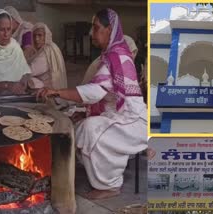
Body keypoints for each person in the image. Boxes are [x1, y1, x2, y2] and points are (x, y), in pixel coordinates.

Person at [37, 8, 147, 199]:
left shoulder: (117, 56)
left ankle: (110, 185)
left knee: (88, 129)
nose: (91, 34)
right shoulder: (112, 55)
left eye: (96, 28)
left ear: (109, 29)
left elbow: (95, 92)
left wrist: (57, 91)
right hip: (119, 115)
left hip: (132, 121)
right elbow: (101, 93)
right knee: (79, 124)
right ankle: (99, 175)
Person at [27, 22, 67, 90]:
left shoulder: (47, 50)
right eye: (34, 36)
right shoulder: (51, 46)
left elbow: (30, 71)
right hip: (48, 84)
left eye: (40, 35)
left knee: (25, 80)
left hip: (49, 88)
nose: (36, 39)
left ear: (46, 36)